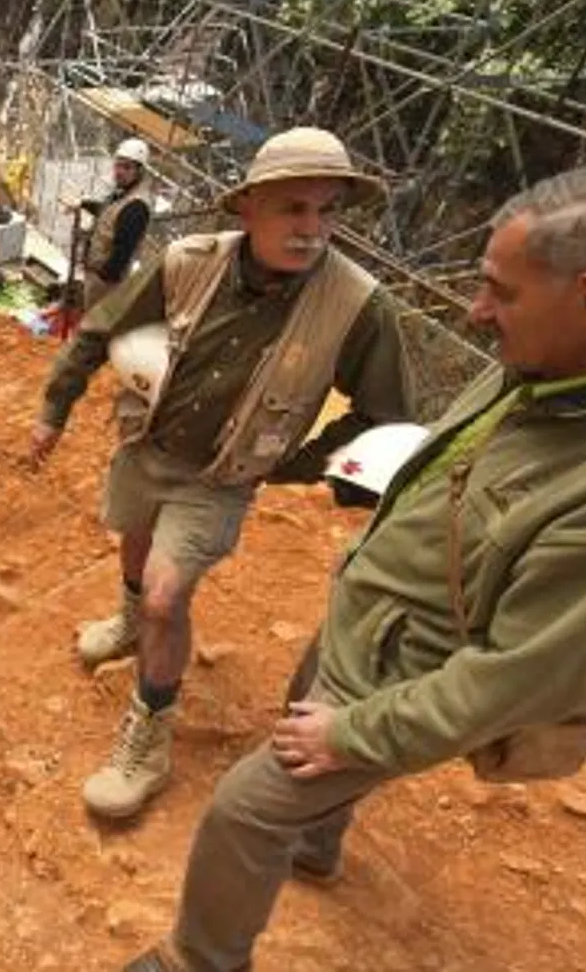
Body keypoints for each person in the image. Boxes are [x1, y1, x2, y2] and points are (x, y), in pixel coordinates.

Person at [128, 166, 586, 972]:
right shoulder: (560, 365)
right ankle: (316, 841)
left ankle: (198, 960)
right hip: (376, 626)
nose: (476, 312)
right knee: (299, 716)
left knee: (247, 808)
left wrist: (355, 730)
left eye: (500, 292)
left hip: (404, 679)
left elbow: (527, 677)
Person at [30, 126, 411, 821]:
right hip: (147, 446)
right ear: (250, 207)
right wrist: (55, 405)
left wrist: (293, 462)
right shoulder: (187, 262)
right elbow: (100, 327)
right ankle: (127, 623)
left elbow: (385, 421)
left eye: (326, 210)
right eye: (293, 209)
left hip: (218, 481)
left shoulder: (357, 305)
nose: (312, 229)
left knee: (168, 596)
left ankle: (148, 737)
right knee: (137, 546)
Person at [74, 138, 158, 309]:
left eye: (127, 167)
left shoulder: (136, 207)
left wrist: (103, 277)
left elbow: (123, 250)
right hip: (96, 273)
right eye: (118, 165)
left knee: (94, 323)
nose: (119, 172)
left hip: (105, 282)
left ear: (139, 171)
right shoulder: (123, 193)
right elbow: (108, 213)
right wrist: (82, 203)